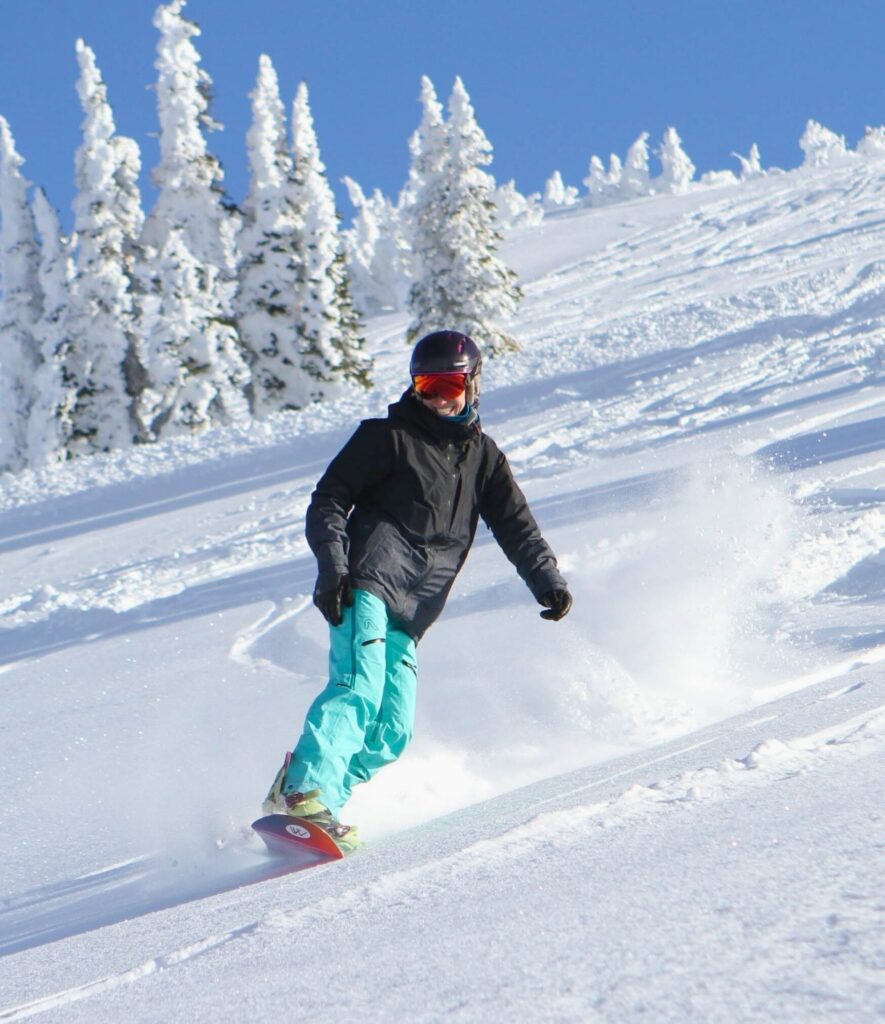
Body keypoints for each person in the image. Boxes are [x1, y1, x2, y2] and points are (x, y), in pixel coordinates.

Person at [262, 330, 572, 851]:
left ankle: (316, 800)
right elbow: (328, 500)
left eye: (449, 385)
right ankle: (305, 793)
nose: (438, 398)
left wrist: (547, 579)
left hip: (415, 609)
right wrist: (333, 566)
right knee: (357, 689)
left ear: (472, 385)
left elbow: (518, 528)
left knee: (391, 732)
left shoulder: (485, 460)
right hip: (368, 582)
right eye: (427, 386)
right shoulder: (387, 438)